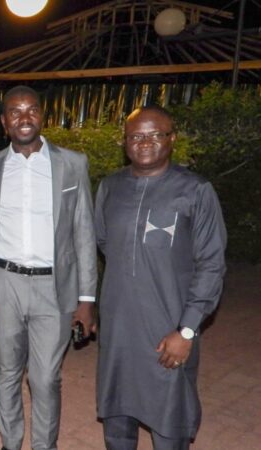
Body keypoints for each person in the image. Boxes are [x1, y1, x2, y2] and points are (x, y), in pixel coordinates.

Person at [95, 105, 227, 450]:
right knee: (117, 419)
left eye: (156, 134)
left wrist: (187, 329)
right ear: (125, 142)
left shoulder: (195, 190)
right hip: (119, 328)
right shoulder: (110, 187)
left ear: (172, 139)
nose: (145, 142)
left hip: (168, 330)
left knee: (170, 424)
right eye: (136, 135)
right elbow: (105, 242)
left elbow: (211, 264)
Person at [0, 85, 98, 450]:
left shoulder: (72, 164)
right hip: (4, 281)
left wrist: (87, 297)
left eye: (31, 111)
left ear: (42, 117)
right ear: (4, 121)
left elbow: (84, 232)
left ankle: (45, 446)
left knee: (45, 378)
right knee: (6, 372)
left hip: (53, 286)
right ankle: (10, 443)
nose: (24, 118)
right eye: (15, 112)